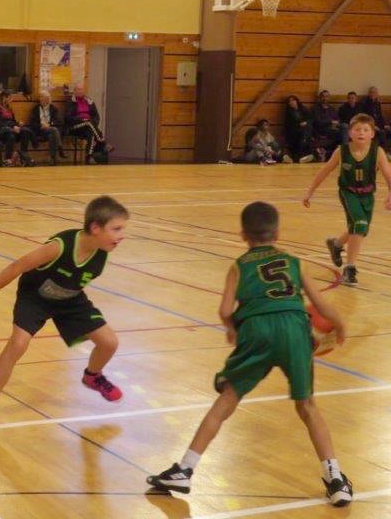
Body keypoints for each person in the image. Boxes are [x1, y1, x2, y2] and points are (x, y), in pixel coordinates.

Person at [147, 201, 353, 508]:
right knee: (307, 406)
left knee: (227, 399)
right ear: (277, 233)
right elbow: (321, 305)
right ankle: (335, 480)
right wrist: (340, 325)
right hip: (294, 330)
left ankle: (185, 469)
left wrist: (232, 329)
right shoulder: (294, 261)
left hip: (256, 331)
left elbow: (224, 309)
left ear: (243, 234)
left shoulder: (238, 266)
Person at [0, 196, 130, 435]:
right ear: (95, 227)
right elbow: (17, 266)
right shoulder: (59, 247)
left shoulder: (101, 253)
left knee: (109, 342)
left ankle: (92, 376)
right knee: (18, 344)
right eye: (116, 229)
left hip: (70, 300)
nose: (122, 235)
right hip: (35, 298)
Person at [303, 113, 391, 286]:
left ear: (372, 134)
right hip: (348, 192)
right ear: (350, 132)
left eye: (365, 130)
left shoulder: (378, 152)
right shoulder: (341, 151)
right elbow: (324, 171)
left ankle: (336, 244)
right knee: (359, 224)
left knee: (359, 229)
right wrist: (310, 192)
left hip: (367, 194)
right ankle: (350, 269)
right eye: (357, 129)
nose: (361, 132)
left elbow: (388, 175)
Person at [65, 85, 108, 164]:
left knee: (91, 132)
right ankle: (102, 143)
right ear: (74, 91)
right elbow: (68, 118)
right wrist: (81, 119)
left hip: (88, 126)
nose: (80, 91)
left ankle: (89, 156)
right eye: (78, 90)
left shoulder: (89, 101)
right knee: (88, 123)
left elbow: (96, 116)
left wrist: (93, 123)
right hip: (74, 126)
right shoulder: (70, 102)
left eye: (81, 90)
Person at [0, 90, 35, 167]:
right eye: (10, 98)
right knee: (11, 136)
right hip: (1, 132)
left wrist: (18, 124)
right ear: (4, 98)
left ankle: (23, 155)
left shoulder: (9, 109)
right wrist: (12, 126)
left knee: (25, 133)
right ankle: (8, 159)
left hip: (11, 130)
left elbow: (13, 121)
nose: (12, 100)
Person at [28, 90, 67, 164]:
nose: (40, 99)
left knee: (52, 134)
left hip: (50, 130)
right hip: (40, 131)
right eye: (41, 97)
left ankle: (52, 158)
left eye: (42, 97)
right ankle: (60, 148)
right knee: (54, 131)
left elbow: (59, 121)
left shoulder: (53, 109)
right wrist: (41, 126)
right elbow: (32, 123)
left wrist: (49, 124)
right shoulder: (36, 109)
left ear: (48, 99)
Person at [283, 95, 314, 163]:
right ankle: (299, 157)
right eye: (289, 101)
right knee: (302, 136)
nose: (291, 102)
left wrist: (306, 123)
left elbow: (310, 119)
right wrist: (299, 125)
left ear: (296, 101)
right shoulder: (288, 112)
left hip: (305, 131)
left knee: (306, 132)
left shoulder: (303, 109)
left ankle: (304, 157)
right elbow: (288, 125)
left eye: (293, 100)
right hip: (294, 132)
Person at [311, 90, 341, 159]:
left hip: (332, 129)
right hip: (320, 129)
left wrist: (336, 123)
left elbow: (337, 120)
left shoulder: (332, 109)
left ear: (329, 98)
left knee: (344, 127)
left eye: (327, 96)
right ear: (320, 98)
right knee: (340, 131)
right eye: (323, 96)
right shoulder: (315, 109)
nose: (325, 98)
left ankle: (342, 152)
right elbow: (318, 121)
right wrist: (330, 121)